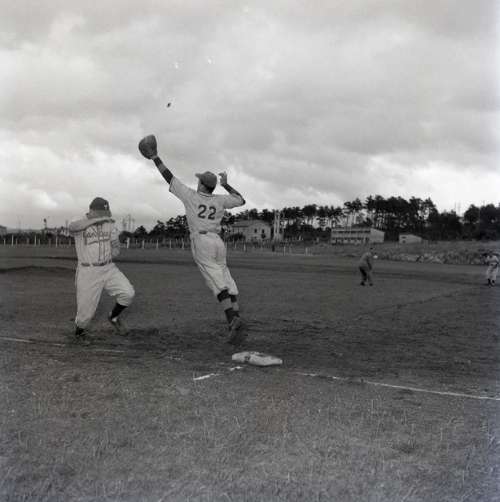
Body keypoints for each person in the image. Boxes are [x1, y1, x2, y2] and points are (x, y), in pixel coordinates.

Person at [138, 135, 247, 345]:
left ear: (202, 185)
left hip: (202, 242)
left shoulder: (191, 196)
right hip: (218, 242)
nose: (197, 182)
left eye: (199, 180)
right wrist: (226, 184)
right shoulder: (220, 199)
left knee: (217, 282)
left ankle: (232, 320)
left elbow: (169, 177)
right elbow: (241, 200)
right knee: (225, 278)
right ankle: (236, 316)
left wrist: (155, 158)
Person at [68, 197, 135, 343]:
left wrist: (115, 249)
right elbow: (72, 227)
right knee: (85, 314)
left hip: (108, 268)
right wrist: (96, 220)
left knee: (128, 293)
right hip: (89, 271)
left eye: (105, 214)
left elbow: (115, 244)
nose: (104, 217)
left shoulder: (108, 224)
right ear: (91, 210)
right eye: (101, 213)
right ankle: (79, 333)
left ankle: (113, 317)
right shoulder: (79, 220)